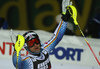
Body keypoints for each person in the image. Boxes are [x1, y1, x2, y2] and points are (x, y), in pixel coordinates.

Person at [12, 1, 73, 69]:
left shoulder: (44, 50)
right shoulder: (29, 61)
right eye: (31, 43)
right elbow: (18, 65)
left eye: (36, 41)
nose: (35, 45)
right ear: (26, 47)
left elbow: (56, 38)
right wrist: (17, 50)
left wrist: (64, 20)